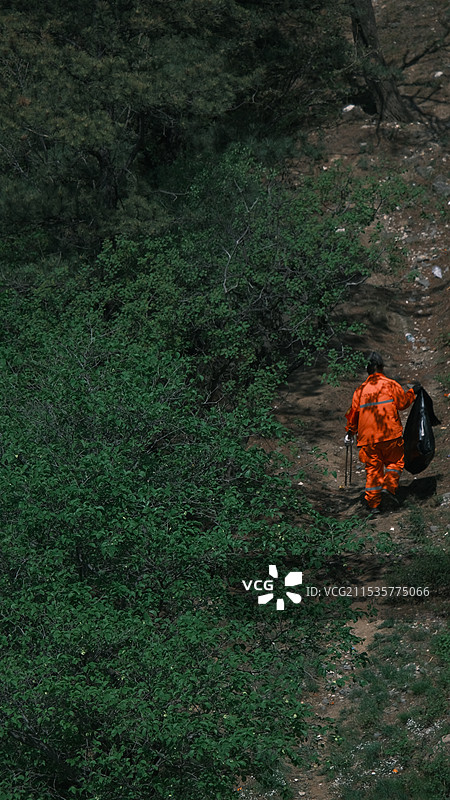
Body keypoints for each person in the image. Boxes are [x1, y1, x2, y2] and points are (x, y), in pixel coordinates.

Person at [344, 351, 421, 513]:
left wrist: (350, 433)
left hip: (368, 440)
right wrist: (413, 392)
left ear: (368, 370)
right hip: (390, 435)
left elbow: (354, 415)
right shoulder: (390, 384)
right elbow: (403, 403)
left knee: (373, 470)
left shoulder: (360, 390)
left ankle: (373, 506)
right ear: (382, 368)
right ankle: (388, 487)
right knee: (395, 462)